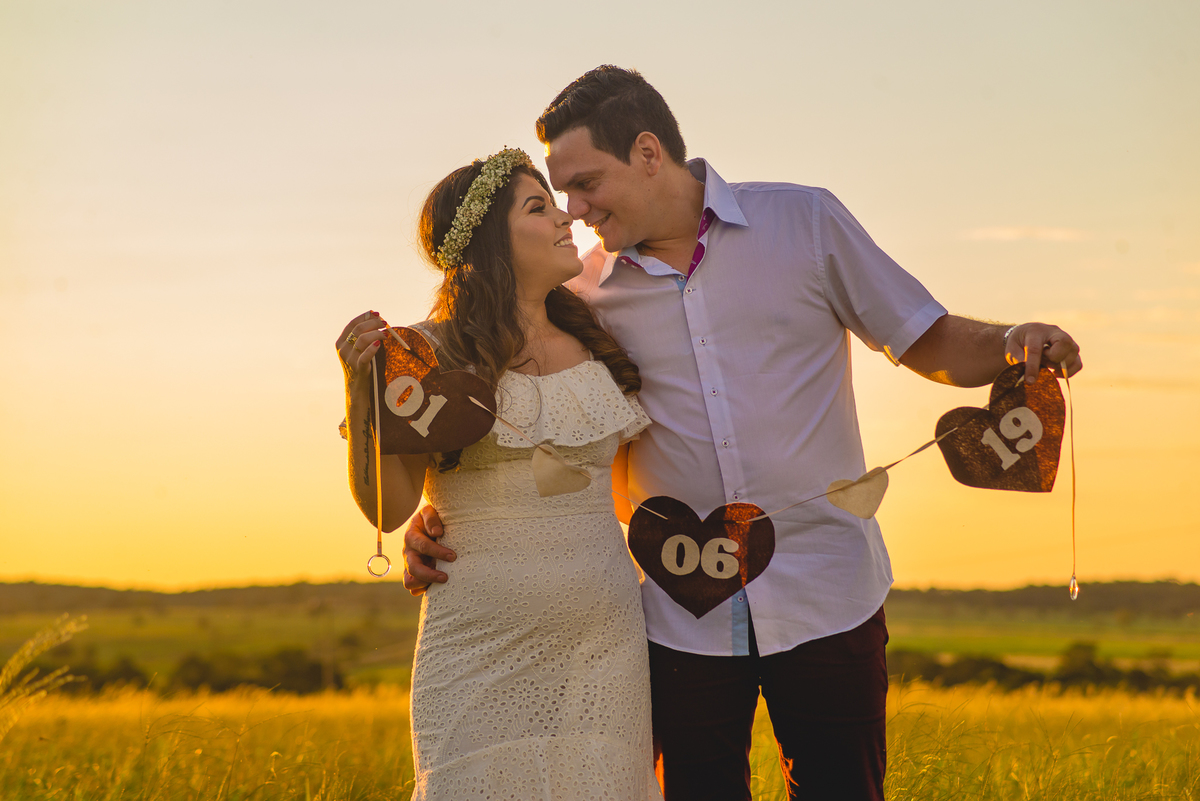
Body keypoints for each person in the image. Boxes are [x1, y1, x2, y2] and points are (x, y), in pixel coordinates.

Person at [401, 67, 1083, 801]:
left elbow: (928, 338)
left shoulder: (806, 224)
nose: (575, 208)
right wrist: (437, 510)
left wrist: (1014, 339)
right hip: (678, 612)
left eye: (587, 182)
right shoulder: (581, 293)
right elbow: (514, 403)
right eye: (561, 192)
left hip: (828, 589)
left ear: (648, 151)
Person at [336, 148, 662, 800]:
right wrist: (359, 392)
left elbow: (633, 488)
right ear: (487, 242)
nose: (566, 217)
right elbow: (388, 509)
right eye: (538, 207)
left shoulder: (601, 337)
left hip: (606, 644)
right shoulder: (423, 354)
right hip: (477, 646)